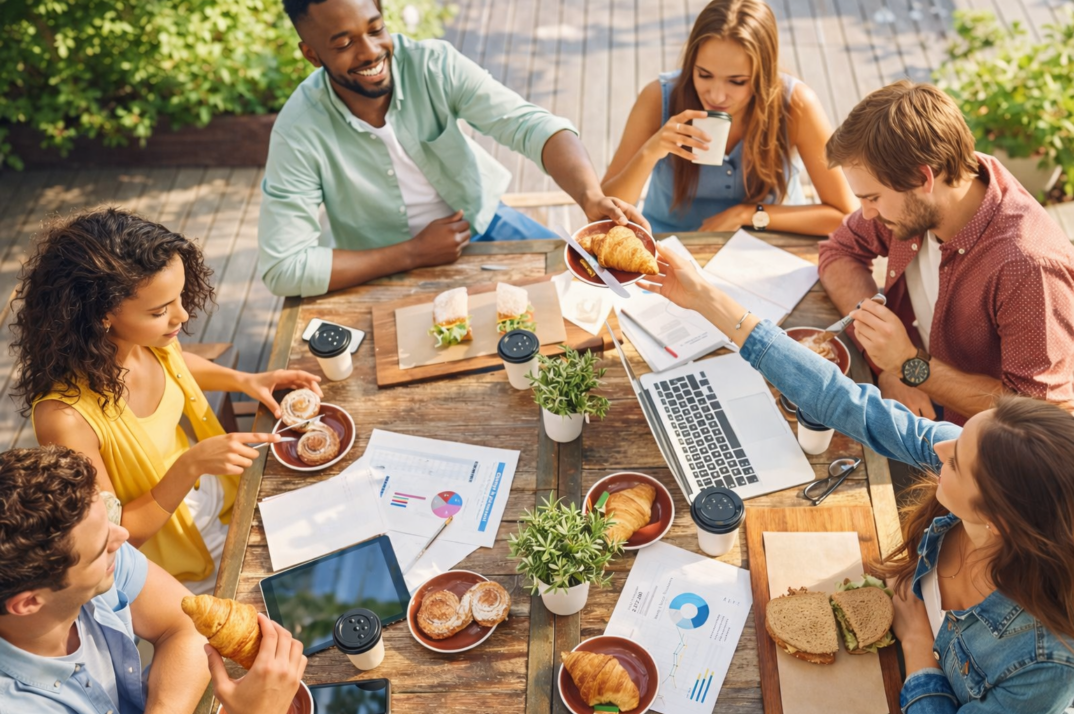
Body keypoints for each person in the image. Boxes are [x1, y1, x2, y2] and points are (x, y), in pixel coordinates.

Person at [640, 247, 1074, 714]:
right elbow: (842, 400)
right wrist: (705, 297)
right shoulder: (987, 472)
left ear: (997, 521)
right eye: (962, 434)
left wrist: (916, 645)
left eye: (957, 461)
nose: (941, 447)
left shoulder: (1046, 664)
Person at [12, 208, 321, 594]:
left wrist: (246, 380)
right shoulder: (65, 419)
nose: (182, 315)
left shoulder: (145, 344)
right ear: (101, 315)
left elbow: (177, 365)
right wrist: (189, 466)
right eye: (160, 311)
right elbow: (114, 535)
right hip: (180, 563)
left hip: (223, 499)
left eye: (177, 299)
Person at [260, 0, 648, 297]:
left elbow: (531, 125)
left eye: (376, 30)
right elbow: (283, 266)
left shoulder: (433, 65)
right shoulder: (298, 130)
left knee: (583, 291)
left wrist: (589, 195)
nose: (370, 52)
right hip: (378, 264)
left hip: (486, 222)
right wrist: (412, 253)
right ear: (311, 54)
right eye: (344, 44)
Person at [819, 80, 1074, 426]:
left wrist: (911, 366)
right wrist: (890, 367)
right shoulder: (922, 198)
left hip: (973, 446)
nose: (865, 214)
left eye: (872, 197)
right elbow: (839, 252)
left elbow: (1040, 417)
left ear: (924, 178)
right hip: (913, 392)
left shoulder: (1029, 266)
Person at [0, 445, 307, 714]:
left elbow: (185, 626)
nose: (122, 537)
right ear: (29, 602)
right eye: (99, 549)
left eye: (109, 519)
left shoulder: (95, 554)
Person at [601, 0, 855, 236]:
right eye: (704, 75)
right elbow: (603, 213)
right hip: (671, 242)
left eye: (737, 81)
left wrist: (747, 214)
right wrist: (651, 151)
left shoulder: (796, 105)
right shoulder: (660, 97)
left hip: (767, 244)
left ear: (763, 75)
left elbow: (845, 215)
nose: (716, 95)